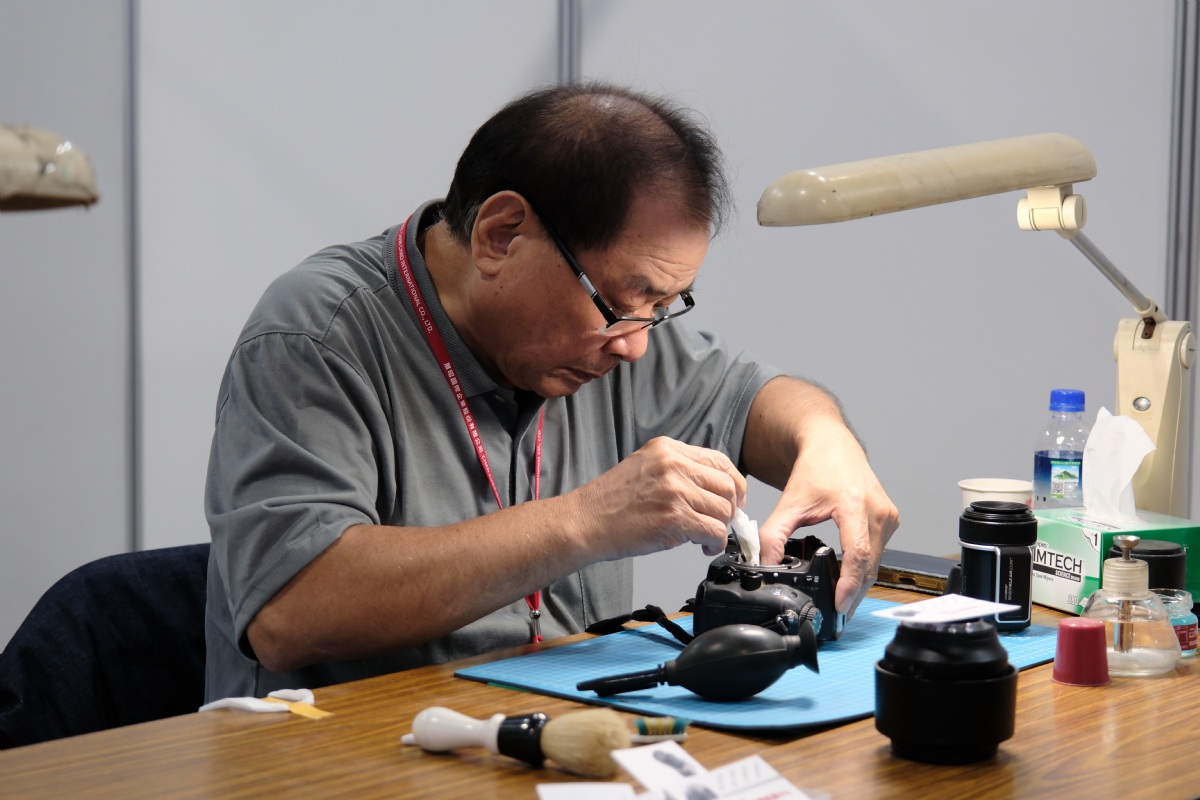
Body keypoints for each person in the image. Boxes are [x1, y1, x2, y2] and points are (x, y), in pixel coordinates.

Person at [204, 82, 899, 701]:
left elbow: (761, 400)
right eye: (622, 304)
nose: (636, 345)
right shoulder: (317, 336)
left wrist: (826, 442)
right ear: (501, 235)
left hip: (556, 735)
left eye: (663, 308)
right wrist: (587, 520)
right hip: (354, 757)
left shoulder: (608, 338)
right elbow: (291, 612)